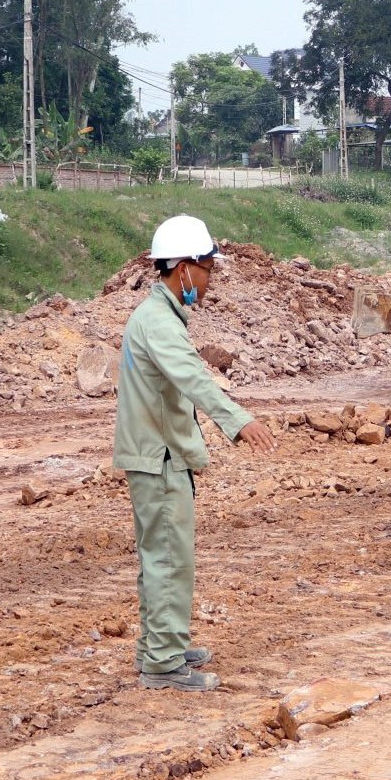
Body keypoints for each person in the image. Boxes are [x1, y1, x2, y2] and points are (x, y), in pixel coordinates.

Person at [114, 215, 277, 692]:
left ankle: (160, 645)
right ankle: (163, 664)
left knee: (160, 556)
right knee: (169, 558)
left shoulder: (157, 315)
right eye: (208, 269)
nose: (209, 281)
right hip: (158, 457)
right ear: (184, 268)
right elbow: (192, 377)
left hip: (156, 453)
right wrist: (238, 420)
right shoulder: (159, 322)